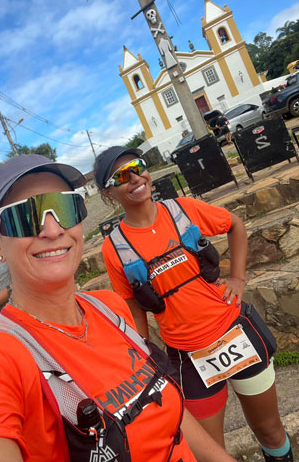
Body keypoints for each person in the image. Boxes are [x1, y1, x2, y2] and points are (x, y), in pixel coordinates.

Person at [0, 154, 236, 462]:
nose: (52, 231)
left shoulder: (109, 307)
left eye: (65, 207)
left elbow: (166, 410)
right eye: (25, 216)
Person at [93, 146, 293, 462]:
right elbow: (133, 305)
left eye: (137, 166)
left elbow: (235, 226)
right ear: (108, 193)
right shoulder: (114, 248)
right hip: (189, 358)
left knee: (269, 430)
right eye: (121, 176)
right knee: (209, 454)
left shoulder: (183, 209)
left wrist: (238, 279)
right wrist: (143, 351)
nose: (134, 178)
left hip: (235, 333)